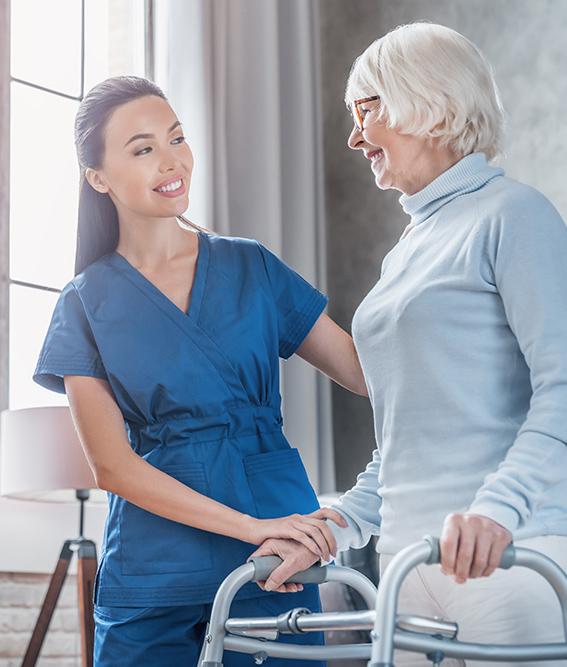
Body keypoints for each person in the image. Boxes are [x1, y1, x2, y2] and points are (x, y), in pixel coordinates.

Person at [250, 22, 567, 667]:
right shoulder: (408, 252)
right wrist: (338, 527)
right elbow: (403, 443)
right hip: (404, 565)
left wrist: (495, 513)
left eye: (367, 109)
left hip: (506, 556)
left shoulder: (514, 215)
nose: (354, 136)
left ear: (431, 102)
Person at [32, 75, 359, 666]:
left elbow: (365, 374)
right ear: (98, 177)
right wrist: (248, 526)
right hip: (157, 568)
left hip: (275, 562)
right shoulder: (83, 303)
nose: (172, 160)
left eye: (176, 138)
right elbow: (112, 466)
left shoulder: (252, 266)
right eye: (143, 148)